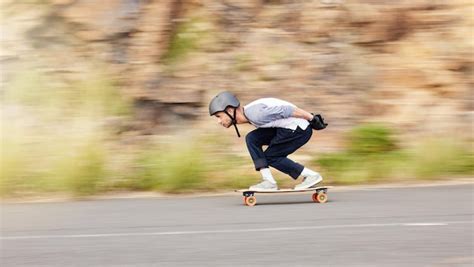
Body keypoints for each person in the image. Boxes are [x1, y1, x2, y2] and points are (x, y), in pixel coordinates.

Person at [209, 91, 328, 191]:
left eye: (219, 116)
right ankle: (269, 181)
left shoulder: (256, 115)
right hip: (285, 128)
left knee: (271, 157)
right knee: (252, 139)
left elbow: (287, 110)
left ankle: (311, 176)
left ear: (230, 111)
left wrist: (312, 118)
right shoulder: (250, 113)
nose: (219, 121)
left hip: (299, 130)